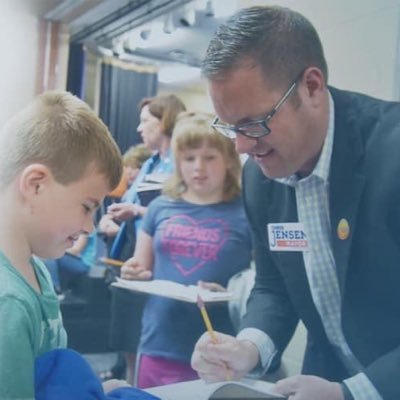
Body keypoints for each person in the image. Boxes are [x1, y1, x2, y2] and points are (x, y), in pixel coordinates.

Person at [190, 5, 400, 400]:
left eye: (254, 123)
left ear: (312, 87)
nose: (242, 146)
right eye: (231, 127)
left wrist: (353, 393)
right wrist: (248, 347)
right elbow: (275, 286)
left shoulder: (392, 154)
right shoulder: (260, 178)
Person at [0, 90, 124, 399]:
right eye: (86, 206)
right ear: (36, 185)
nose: (88, 227)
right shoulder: (8, 303)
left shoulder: (37, 269)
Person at [120, 112, 252, 388]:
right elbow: (141, 269)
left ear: (229, 160)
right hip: (158, 342)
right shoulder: (159, 208)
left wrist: (233, 293)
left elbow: (265, 285)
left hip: (218, 349)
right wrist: (132, 271)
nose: (198, 167)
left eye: (209, 157)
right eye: (189, 158)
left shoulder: (247, 212)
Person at [104, 94, 186, 384]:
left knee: (148, 342)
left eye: (145, 121)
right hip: (129, 257)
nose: (139, 129)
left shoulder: (182, 164)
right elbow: (128, 200)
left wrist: (136, 210)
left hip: (161, 262)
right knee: (128, 341)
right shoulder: (150, 163)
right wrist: (110, 216)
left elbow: (183, 212)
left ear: (164, 120)